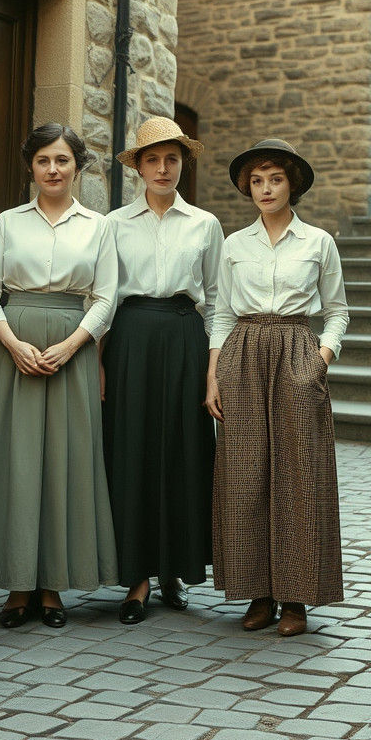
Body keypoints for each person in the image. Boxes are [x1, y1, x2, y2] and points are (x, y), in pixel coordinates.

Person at [0, 123, 118, 630]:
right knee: (17, 460)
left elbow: (105, 298)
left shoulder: (98, 227)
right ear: (30, 167)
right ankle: (16, 585)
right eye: (43, 161)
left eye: (63, 161)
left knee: (63, 462)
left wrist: (74, 344)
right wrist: (11, 343)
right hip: (15, 348)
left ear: (77, 167)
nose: (53, 170)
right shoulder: (8, 223)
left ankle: (52, 586)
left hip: (69, 352)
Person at [206, 138, 349, 637]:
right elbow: (221, 312)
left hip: (295, 350)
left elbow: (337, 312)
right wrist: (213, 376)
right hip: (242, 355)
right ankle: (258, 594)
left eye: (275, 179)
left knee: (298, 477)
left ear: (293, 184)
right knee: (245, 475)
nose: (265, 189)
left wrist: (319, 359)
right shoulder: (234, 244)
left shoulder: (318, 243)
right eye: (257, 181)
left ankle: (296, 598)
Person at [103, 117, 224, 623]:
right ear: (138, 167)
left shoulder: (205, 225)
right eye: (152, 159)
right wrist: (100, 365)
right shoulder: (114, 224)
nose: (162, 168)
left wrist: (213, 371)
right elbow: (104, 298)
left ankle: (175, 568)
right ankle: (136, 577)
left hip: (183, 337)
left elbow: (217, 303)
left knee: (181, 450)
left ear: (182, 163)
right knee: (132, 451)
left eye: (171, 159)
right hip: (129, 339)